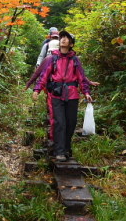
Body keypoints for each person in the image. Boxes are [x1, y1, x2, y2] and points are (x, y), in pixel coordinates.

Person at [32, 30, 93, 162]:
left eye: (67, 38)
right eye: (62, 38)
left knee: (71, 122)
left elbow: (81, 78)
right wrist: (37, 89)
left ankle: (66, 148)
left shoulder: (75, 60)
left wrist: (86, 92)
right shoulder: (52, 58)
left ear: (71, 44)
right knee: (60, 122)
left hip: (72, 95)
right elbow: (44, 76)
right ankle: (59, 151)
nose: (63, 40)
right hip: (56, 94)